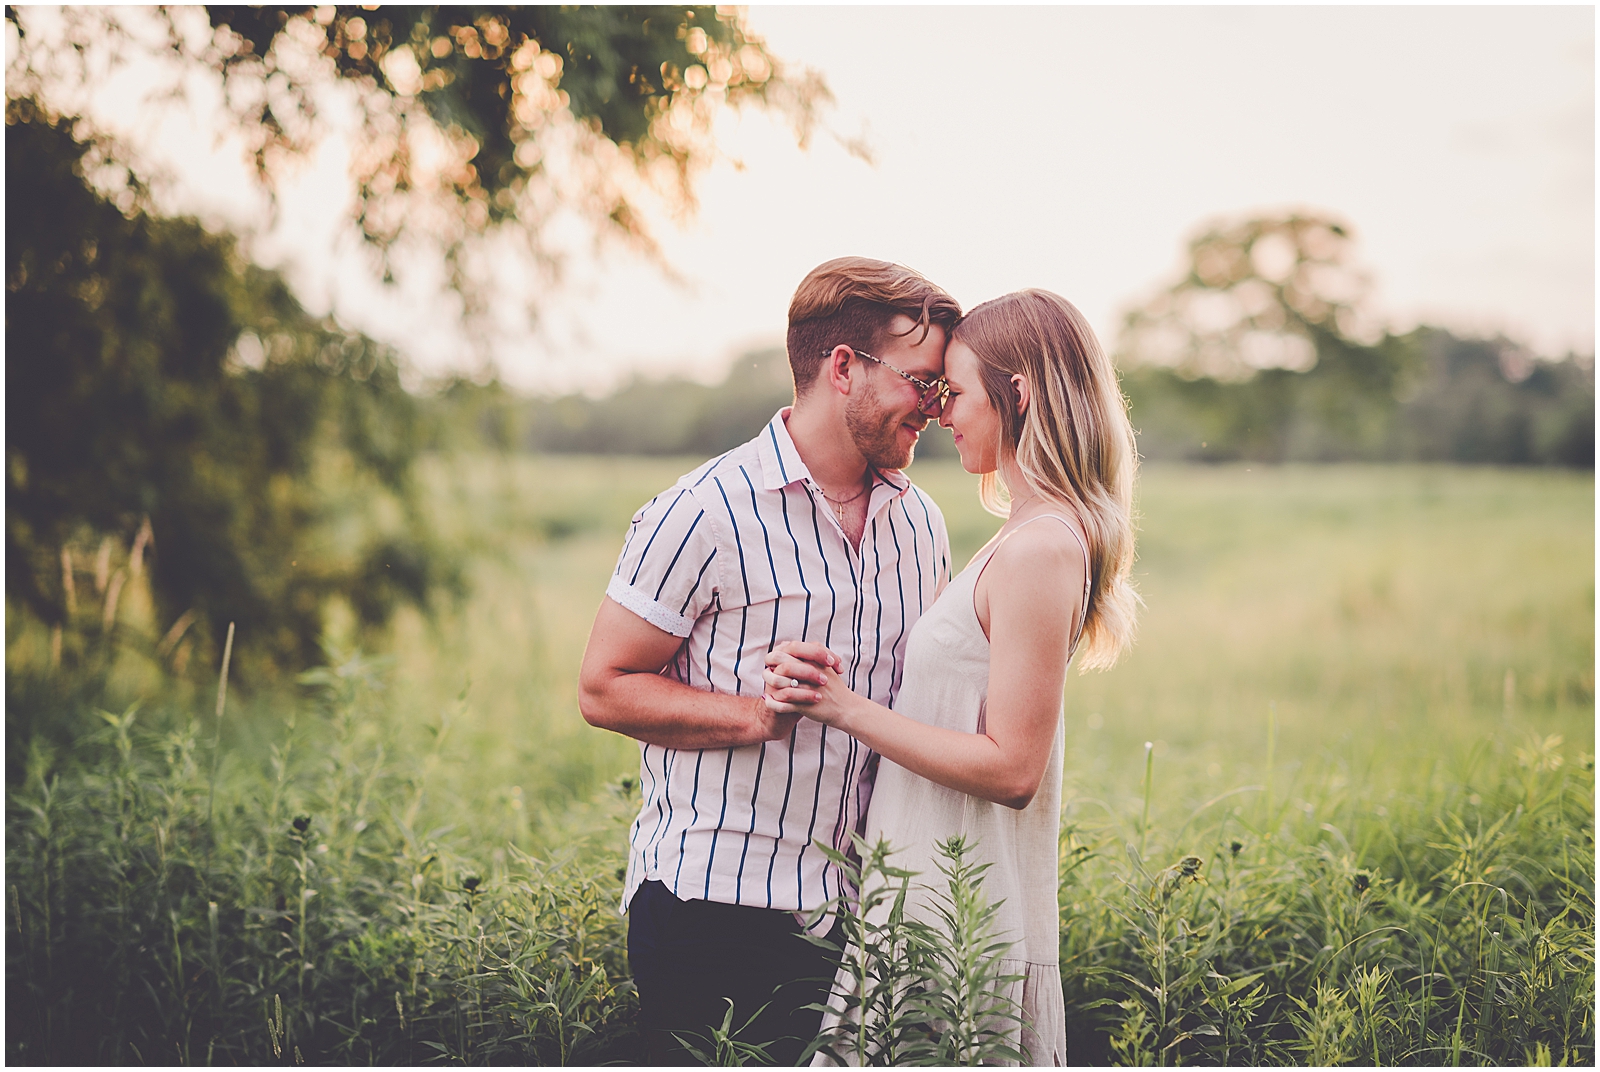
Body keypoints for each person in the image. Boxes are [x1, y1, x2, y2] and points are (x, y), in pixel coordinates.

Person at [577, 256, 963, 1064]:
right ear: (845, 367)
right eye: (921, 381)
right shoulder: (702, 512)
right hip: (712, 908)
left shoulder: (921, 524)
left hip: (855, 917)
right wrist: (759, 715)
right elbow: (605, 688)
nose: (935, 407)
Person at [762, 289, 1139, 1066]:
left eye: (957, 392)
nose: (943, 413)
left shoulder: (1042, 547)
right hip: (923, 910)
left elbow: (1012, 768)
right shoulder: (1024, 535)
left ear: (1019, 394)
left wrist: (843, 708)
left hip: (958, 930)